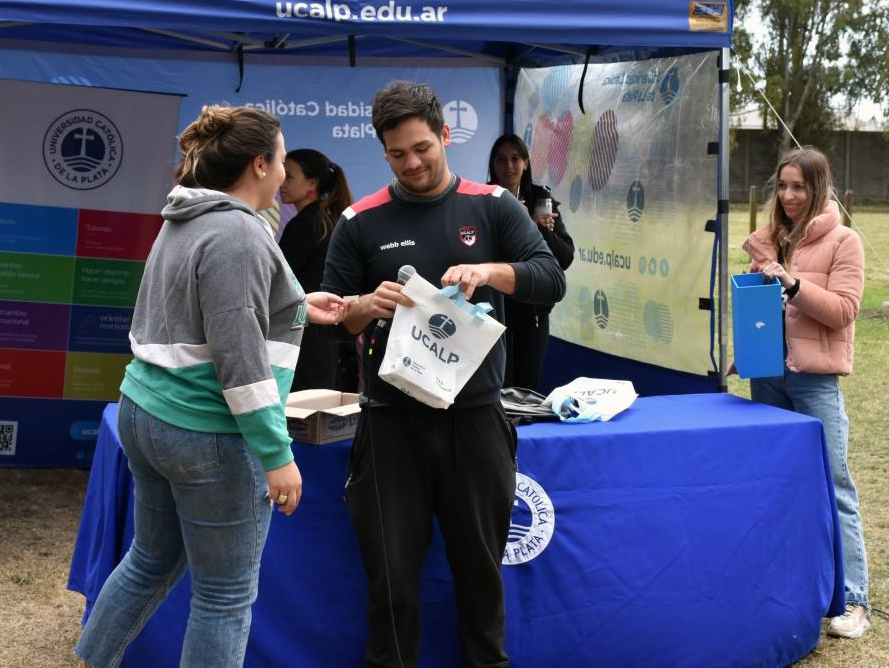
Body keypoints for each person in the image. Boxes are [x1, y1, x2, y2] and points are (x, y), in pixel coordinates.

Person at [74, 105, 345, 668]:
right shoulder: (237, 232)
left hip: (146, 413)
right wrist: (276, 454)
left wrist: (295, 304)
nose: (283, 170)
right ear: (259, 164)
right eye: (281, 157)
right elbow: (239, 358)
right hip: (207, 431)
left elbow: (209, 311)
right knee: (224, 596)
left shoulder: (188, 215)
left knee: (149, 560)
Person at [321, 81, 566, 667]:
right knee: (392, 583)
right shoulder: (360, 220)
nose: (412, 163)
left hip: (476, 420)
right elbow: (329, 315)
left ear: (445, 136)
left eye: (422, 148)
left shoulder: (494, 205)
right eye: (397, 154)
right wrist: (361, 306)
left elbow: (549, 279)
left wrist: (492, 272)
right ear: (383, 153)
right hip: (389, 424)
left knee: (481, 575)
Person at [742, 146, 869, 639]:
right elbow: (760, 310)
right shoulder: (768, 241)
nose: (789, 195)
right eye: (782, 185)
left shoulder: (845, 241)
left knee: (835, 485)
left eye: (800, 186)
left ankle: (855, 600)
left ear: (819, 188)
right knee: (776, 481)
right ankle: (789, 586)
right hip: (767, 374)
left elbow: (843, 311)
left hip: (815, 380)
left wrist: (792, 284)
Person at [487, 133, 574, 390]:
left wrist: (538, 229)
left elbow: (564, 258)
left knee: (527, 385)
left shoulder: (542, 200)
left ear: (525, 163)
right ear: (493, 165)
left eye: (515, 159)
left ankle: (527, 431)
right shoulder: (483, 198)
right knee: (498, 384)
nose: (509, 166)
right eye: (501, 160)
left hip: (532, 310)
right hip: (494, 310)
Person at [279, 148, 355, 391]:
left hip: (305, 336)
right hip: (327, 337)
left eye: (289, 176)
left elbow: (278, 281)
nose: (282, 181)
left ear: (312, 183)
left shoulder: (305, 224)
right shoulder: (329, 220)